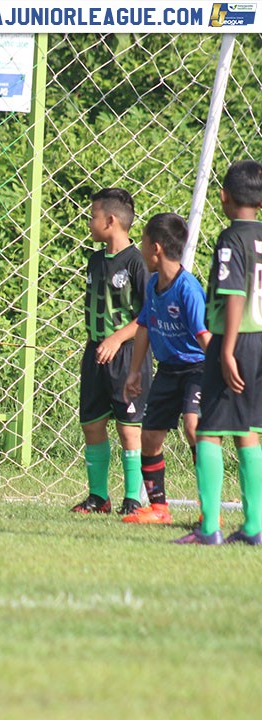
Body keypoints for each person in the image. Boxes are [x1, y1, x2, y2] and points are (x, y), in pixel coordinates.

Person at [176, 159, 262, 545]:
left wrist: (225, 350)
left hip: (235, 339)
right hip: (259, 340)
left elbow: (233, 294)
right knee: (249, 432)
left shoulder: (232, 239)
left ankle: (209, 527)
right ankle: (254, 526)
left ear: (225, 197)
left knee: (209, 430)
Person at [122, 213, 211, 524]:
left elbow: (204, 336)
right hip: (168, 370)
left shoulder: (188, 289)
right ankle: (159, 509)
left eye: (143, 244)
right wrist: (134, 372)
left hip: (198, 368)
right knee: (150, 436)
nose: (142, 250)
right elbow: (144, 327)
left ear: (155, 248)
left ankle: (208, 509)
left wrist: (220, 371)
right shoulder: (152, 285)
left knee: (193, 426)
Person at [70, 188, 153, 515]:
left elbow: (148, 314)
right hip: (96, 353)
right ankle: (98, 496)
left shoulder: (136, 262)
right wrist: (101, 342)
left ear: (111, 220)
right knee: (91, 424)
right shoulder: (94, 260)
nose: (89, 222)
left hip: (128, 353)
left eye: (92, 216)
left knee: (128, 427)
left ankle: (133, 497)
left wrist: (118, 339)